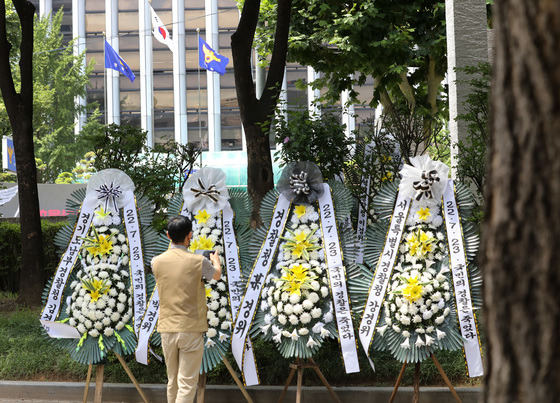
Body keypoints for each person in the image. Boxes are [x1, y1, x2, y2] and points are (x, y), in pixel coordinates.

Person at [152, 215, 222, 403]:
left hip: (166, 328)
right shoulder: (198, 261)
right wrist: (215, 260)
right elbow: (216, 276)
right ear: (190, 235)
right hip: (190, 327)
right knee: (187, 383)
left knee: (172, 381)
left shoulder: (156, 262)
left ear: (168, 235)